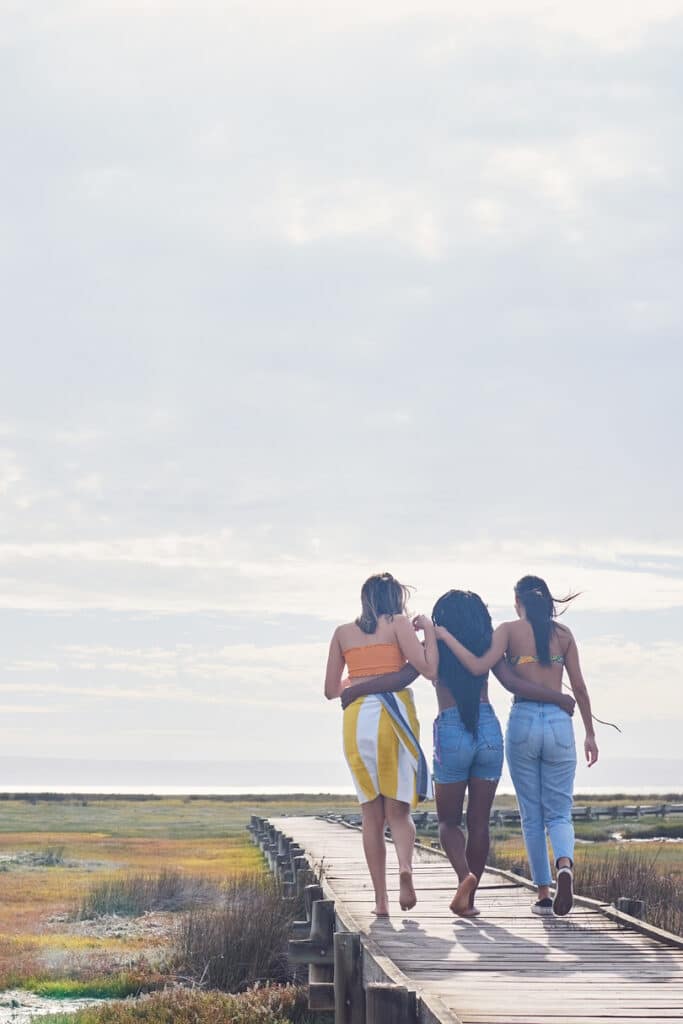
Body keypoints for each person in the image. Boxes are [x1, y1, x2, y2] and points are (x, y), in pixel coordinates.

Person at [342, 589, 575, 917]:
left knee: (449, 822)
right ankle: (471, 896)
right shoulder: (486, 646)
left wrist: (356, 688)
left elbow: (406, 675)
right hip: (489, 730)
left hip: (451, 733)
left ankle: (464, 876)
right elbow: (511, 682)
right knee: (479, 823)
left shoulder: (436, 645)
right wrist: (559, 698)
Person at [435, 575, 598, 917]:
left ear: (517, 602)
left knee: (530, 815)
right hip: (554, 724)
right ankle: (564, 864)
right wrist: (589, 733)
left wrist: (442, 635)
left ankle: (540, 892)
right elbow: (580, 688)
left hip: (521, 721)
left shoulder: (506, 632)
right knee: (558, 811)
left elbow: (494, 673)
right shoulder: (564, 635)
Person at [324, 572, 439, 917]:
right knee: (398, 812)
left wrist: (359, 678)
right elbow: (429, 668)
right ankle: (405, 867)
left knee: (370, 815)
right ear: (394, 599)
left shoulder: (342, 633)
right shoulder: (399, 623)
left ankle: (381, 901)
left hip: (357, 724)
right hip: (393, 720)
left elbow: (332, 690)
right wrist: (429, 630)